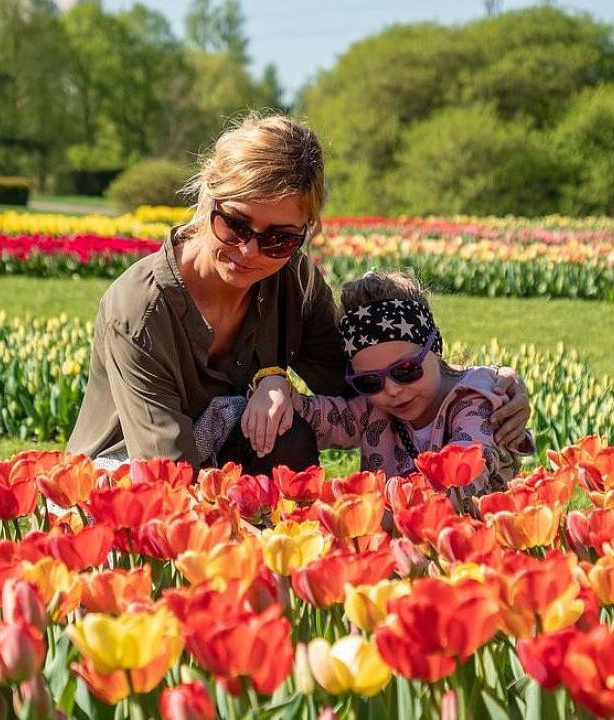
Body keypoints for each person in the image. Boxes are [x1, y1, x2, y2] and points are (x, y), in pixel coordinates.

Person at [67, 113, 530, 474]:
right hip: (126, 473)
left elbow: (369, 381)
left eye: (279, 238)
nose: (249, 251)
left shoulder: (292, 280)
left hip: (224, 459)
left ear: (307, 230)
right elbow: (164, 469)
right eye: (235, 223)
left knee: (287, 431)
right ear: (209, 195)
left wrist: (485, 388)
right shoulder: (140, 310)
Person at [278, 270, 534, 494]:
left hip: (473, 531)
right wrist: (276, 389)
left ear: (435, 347)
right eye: (369, 381)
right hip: (399, 530)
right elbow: (318, 418)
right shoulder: (373, 409)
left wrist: (381, 516)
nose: (392, 390)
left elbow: (464, 478)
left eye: (406, 370)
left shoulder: (476, 401)